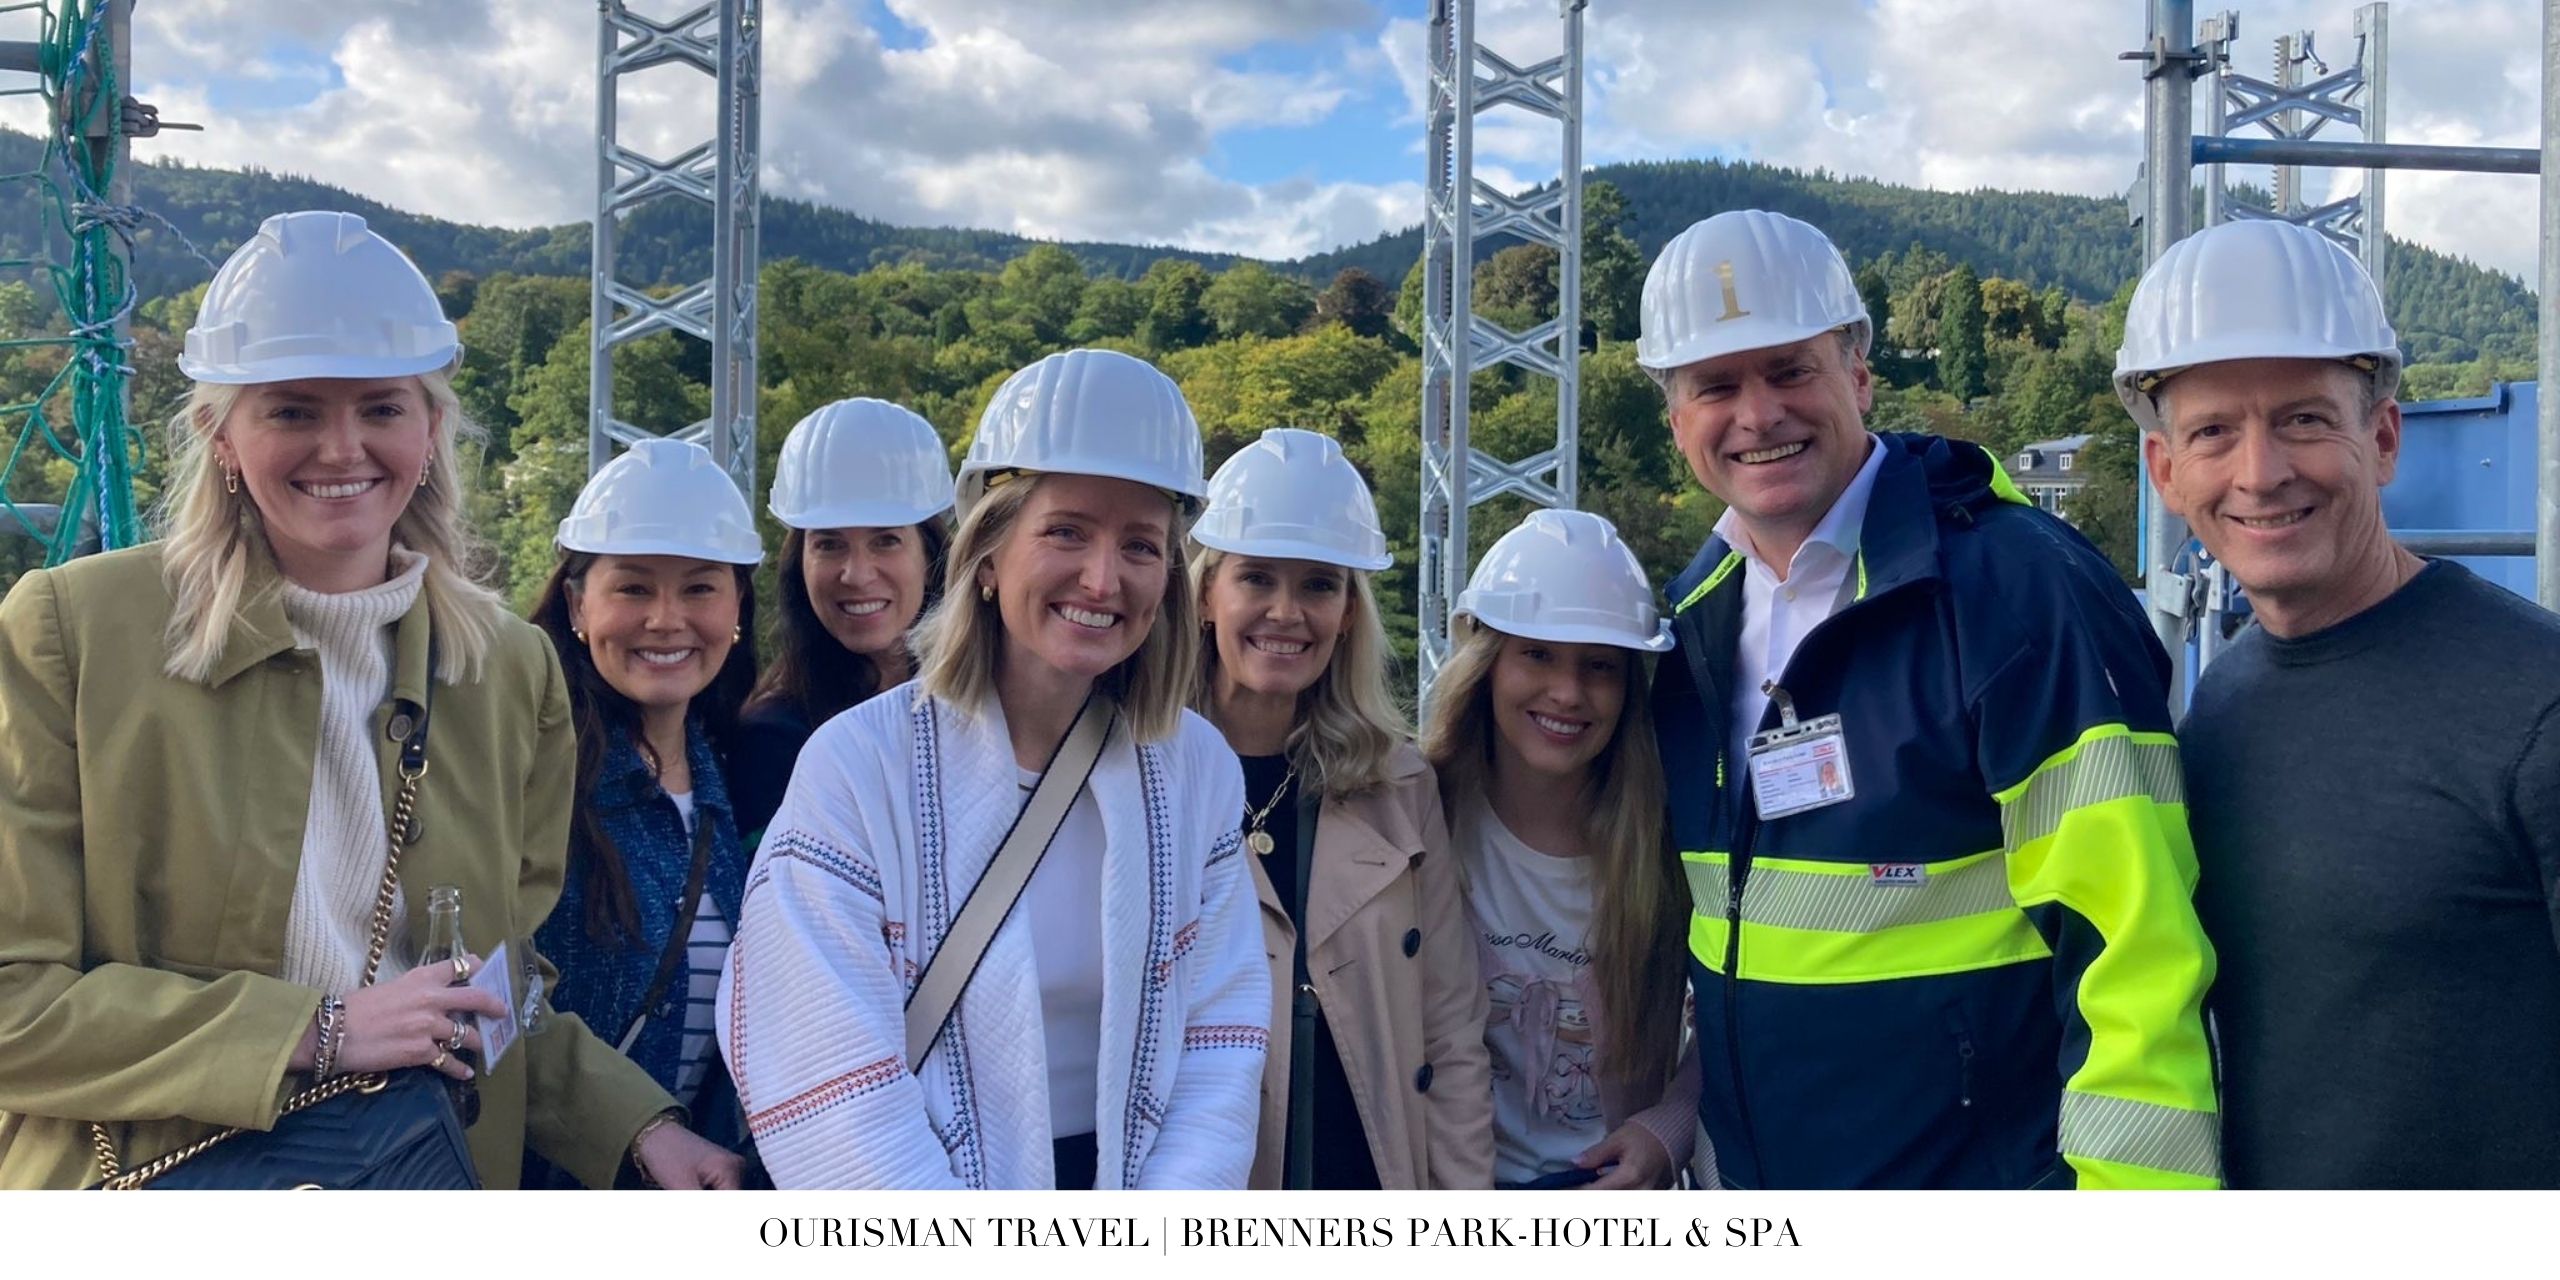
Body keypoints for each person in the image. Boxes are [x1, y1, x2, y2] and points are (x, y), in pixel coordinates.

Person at [0, 210, 736, 1189]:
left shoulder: (507, 671)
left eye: (382, 408)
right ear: (221, 435)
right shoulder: (76, 632)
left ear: (431, 428)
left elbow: (497, 990)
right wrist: (316, 1030)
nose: (342, 448)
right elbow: (16, 1000)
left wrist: (639, 1127)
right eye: (293, 409)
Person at [1637, 209, 2218, 1189]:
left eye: (1789, 369)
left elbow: (2139, 946)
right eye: (1716, 386)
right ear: (1675, 418)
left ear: (1857, 374)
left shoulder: (2016, 591)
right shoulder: (1693, 617)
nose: (1757, 413)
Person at [717, 348, 1267, 1189]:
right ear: (985, 555)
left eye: (1142, 545)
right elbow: (822, 1073)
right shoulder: (858, 768)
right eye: (1066, 531)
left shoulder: (1197, 772)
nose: (1102, 576)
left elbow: (1219, 1039)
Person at [2121, 219, 2560, 1188]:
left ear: (2384, 437)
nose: (2259, 472)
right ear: (2165, 473)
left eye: (2304, 420)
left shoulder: (2533, 703)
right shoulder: (2214, 713)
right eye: (2211, 433)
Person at [1188, 427, 1492, 1190]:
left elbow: (1451, 1029)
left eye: (1319, 584)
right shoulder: (1136, 771)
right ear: (1203, 594)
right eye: (1257, 578)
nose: (1286, 613)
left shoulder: (1396, 782)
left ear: (1350, 611)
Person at [1418, 509, 1698, 1190]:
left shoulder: (1671, 837)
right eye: (1537, 655)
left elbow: (1741, 1011)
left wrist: (1670, 1128)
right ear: (1485, 664)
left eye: (1598, 666)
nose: (1568, 693)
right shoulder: (1414, 815)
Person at [523, 438, 764, 1185]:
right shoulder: (532, 772)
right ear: (576, 605)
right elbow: (487, 988)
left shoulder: (734, 780)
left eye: (699, 589)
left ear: (736, 609)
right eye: (632, 590)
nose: (666, 621)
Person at [733, 398, 954, 839]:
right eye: (829, 544)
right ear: (801, 562)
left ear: (929, 554)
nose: (856, 574)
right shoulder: (775, 741)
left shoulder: (992, 711)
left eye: (885, 541)